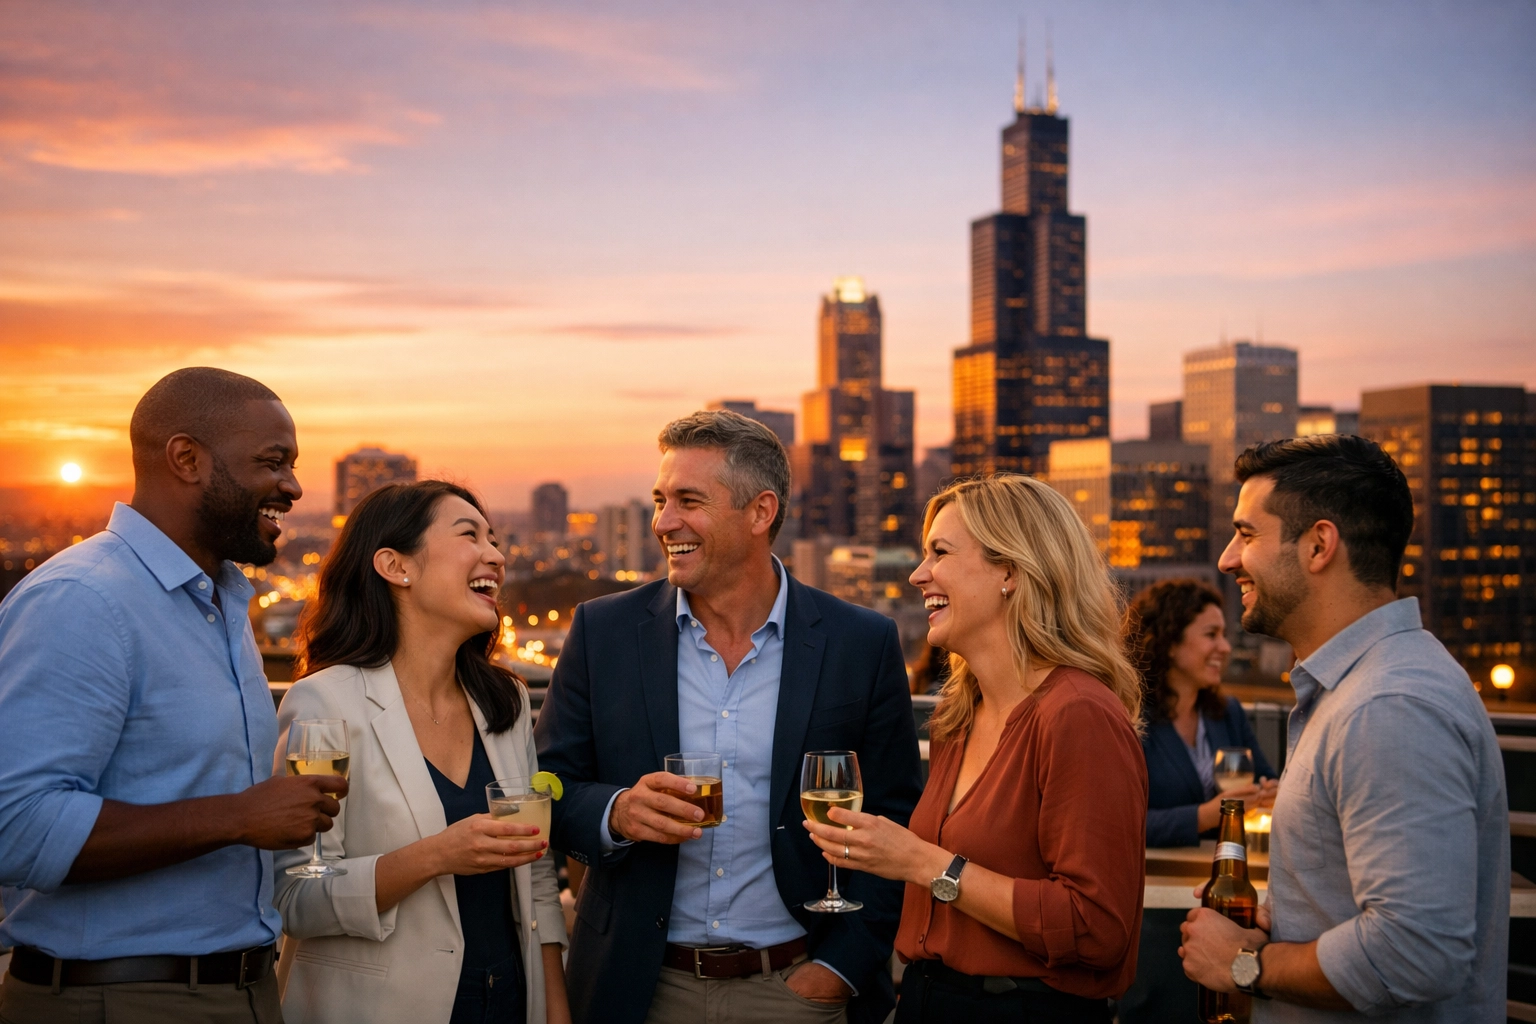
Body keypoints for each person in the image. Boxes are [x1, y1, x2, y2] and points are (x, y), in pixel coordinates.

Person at [534, 409, 923, 1024]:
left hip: (798, 988)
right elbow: (546, 787)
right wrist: (617, 813)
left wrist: (841, 970)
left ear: (760, 512)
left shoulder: (861, 642)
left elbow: (900, 818)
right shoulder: (602, 632)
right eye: (661, 500)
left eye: (689, 500)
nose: (664, 523)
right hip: (638, 990)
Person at [0, 367, 343, 1024]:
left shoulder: (218, 604)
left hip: (240, 987)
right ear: (187, 458)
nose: (294, 488)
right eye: (273, 463)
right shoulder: (84, 601)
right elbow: (16, 827)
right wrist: (239, 817)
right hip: (118, 997)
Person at [1179, 435, 1509, 1020]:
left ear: (1319, 545)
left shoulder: (1388, 706)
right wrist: (1288, 922)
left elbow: (1417, 951)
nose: (1229, 558)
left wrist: (1246, 964)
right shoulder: (1360, 691)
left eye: (1247, 534)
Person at [802, 474, 1148, 1024]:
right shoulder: (956, 718)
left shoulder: (1078, 714)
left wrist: (922, 861)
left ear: (1010, 571)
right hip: (927, 1000)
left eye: (940, 552)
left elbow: (1095, 928)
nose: (919, 575)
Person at [274, 481, 570, 1024]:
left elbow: (539, 876)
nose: (497, 556)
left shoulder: (502, 701)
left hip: (507, 1002)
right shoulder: (324, 704)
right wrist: (436, 855)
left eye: (495, 539)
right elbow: (299, 893)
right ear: (395, 566)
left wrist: (554, 1009)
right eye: (469, 535)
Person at [1116, 577, 1275, 1023]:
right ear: (1168, 642)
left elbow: (1266, 782)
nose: (1225, 646)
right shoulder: (1129, 719)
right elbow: (1120, 821)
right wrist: (1207, 815)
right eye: (1211, 634)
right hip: (1153, 910)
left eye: (1224, 634)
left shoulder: (1228, 715)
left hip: (1226, 907)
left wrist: (1271, 794)